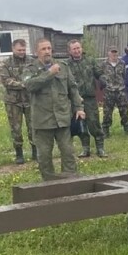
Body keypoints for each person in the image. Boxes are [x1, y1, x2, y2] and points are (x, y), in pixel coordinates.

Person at [24, 39, 86, 180]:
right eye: (43, 49)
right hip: (42, 121)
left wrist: (79, 108)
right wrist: (49, 73)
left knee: (68, 152)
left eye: (49, 48)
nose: (47, 51)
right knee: (44, 156)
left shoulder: (63, 66)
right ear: (36, 52)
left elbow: (73, 88)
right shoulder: (31, 69)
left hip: (62, 118)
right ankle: (50, 185)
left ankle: (70, 182)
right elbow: (29, 85)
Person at [66, 40, 106, 157]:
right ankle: (85, 149)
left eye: (78, 48)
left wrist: (102, 78)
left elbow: (99, 72)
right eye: (74, 49)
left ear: (81, 49)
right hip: (75, 99)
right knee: (81, 125)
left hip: (90, 98)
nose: (77, 51)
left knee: (94, 123)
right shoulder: (66, 65)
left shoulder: (90, 61)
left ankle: (100, 148)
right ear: (69, 51)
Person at [0, 38, 34, 164]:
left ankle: (35, 151)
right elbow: (5, 81)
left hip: (30, 100)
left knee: (33, 127)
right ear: (13, 49)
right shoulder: (6, 63)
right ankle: (19, 154)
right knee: (16, 129)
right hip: (13, 101)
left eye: (24, 50)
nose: (22, 52)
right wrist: (22, 84)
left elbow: (37, 76)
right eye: (19, 50)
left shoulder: (32, 61)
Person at [101, 47, 128, 136]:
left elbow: (124, 75)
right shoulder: (103, 64)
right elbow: (100, 76)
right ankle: (105, 131)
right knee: (107, 113)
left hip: (120, 91)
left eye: (116, 53)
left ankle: (127, 130)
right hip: (109, 91)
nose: (114, 55)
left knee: (124, 111)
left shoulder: (122, 63)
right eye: (112, 53)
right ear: (108, 53)